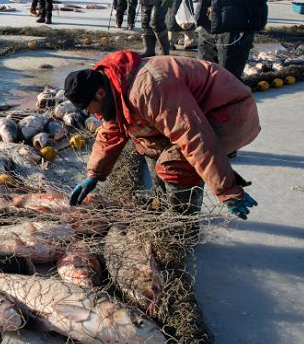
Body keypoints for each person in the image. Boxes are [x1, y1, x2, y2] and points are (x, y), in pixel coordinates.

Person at [64, 51, 260, 219]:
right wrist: (94, 175)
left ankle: (182, 222)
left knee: (174, 163)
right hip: (195, 113)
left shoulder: (148, 88)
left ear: (99, 93)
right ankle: (164, 200)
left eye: (88, 107)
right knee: (148, 143)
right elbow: (112, 130)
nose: (90, 113)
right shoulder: (113, 84)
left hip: (229, 112)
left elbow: (195, 138)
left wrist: (227, 190)